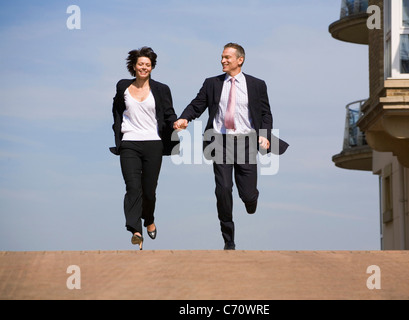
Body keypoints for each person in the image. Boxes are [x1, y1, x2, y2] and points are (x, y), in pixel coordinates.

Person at [174, 43, 288, 250]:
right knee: (223, 189)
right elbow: (197, 104)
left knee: (247, 193)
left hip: (247, 142)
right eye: (222, 57)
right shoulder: (212, 83)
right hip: (220, 141)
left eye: (227, 57)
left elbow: (265, 114)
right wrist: (185, 118)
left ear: (240, 60)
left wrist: (265, 136)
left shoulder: (256, 85)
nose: (223, 61)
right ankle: (229, 239)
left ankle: (251, 199)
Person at [110, 47, 179, 250]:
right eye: (141, 64)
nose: (144, 67)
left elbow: (169, 113)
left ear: (152, 67)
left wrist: (176, 124)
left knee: (149, 191)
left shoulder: (161, 89)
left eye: (148, 65)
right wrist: (118, 131)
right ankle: (135, 230)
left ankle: (149, 219)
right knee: (133, 188)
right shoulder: (122, 86)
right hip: (129, 142)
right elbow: (117, 109)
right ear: (134, 66)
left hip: (153, 143)